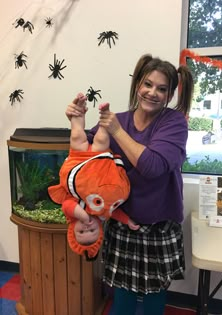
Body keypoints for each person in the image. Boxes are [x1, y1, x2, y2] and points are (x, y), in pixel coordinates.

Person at [66, 54, 194, 315]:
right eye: (147, 84)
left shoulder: (174, 123)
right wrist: (76, 122)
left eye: (161, 89)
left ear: (169, 95)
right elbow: (85, 153)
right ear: (138, 86)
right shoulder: (118, 120)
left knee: (154, 298)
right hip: (123, 223)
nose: (152, 93)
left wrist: (116, 132)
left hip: (159, 227)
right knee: (121, 295)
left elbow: (153, 167)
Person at [48, 94, 139, 260]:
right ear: (100, 229)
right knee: (102, 138)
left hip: (79, 162)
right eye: (92, 231)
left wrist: (82, 214)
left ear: (73, 228)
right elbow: (116, 213)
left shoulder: (74, 214)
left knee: (77, 136)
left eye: (81, 231)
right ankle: (105, 118)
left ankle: (78, 114)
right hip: (100, 162)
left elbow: (67, 205)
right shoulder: (103, 215)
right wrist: (128, 221)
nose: (87, 226)